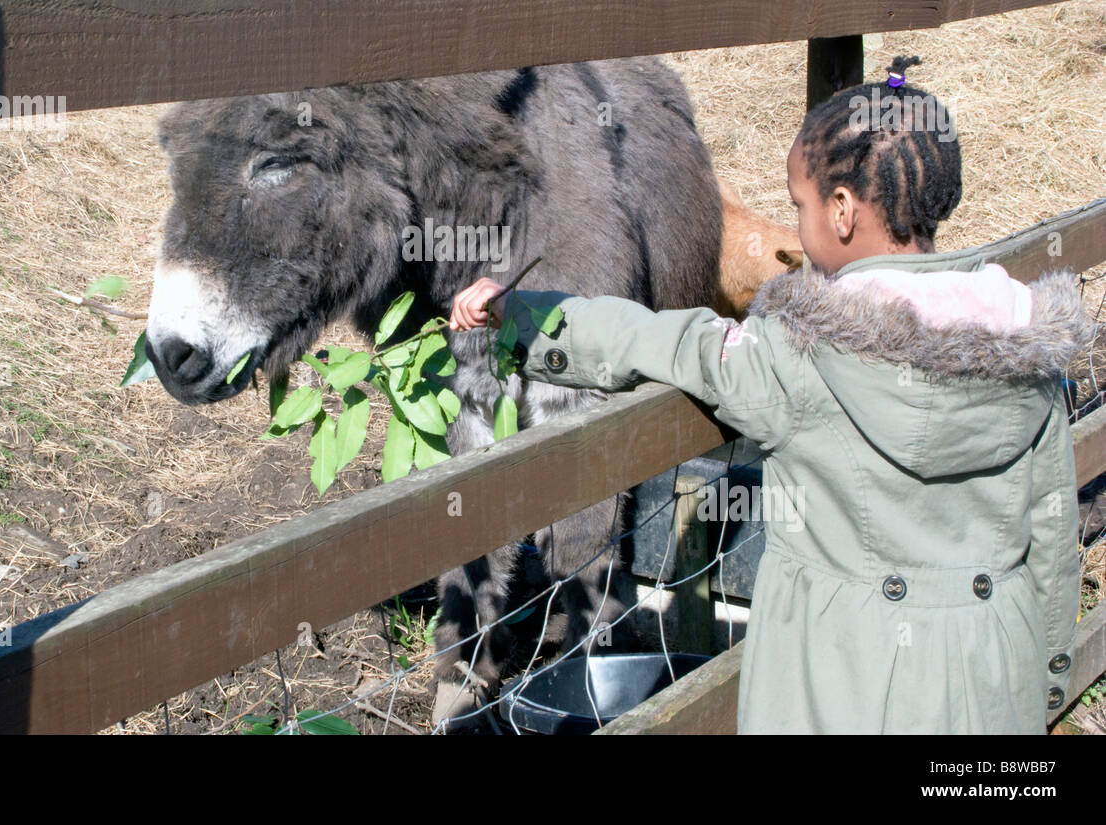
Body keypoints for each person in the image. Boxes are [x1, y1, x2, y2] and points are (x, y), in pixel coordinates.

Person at [447, 58, 1088, 734]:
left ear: (841, 212)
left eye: (798, 206)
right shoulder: (1030, 351)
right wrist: (1042, 683)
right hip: (992, 692)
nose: (796, 226)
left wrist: (533, 314)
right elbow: (1051, 541)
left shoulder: (799, 357)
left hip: (840, 692)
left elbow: (669, 341)